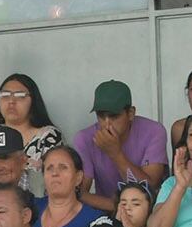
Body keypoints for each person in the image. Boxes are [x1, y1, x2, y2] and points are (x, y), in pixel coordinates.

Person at [73, 79, 170, 208]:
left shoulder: (154, 131)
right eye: (101, 116)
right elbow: (80, 195)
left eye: (114, 116)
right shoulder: (84, 138)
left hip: (147, 215)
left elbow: (148, 190)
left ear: (130, 113)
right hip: (106, 213)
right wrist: (119, 208)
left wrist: (116, 154)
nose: (107, 124)